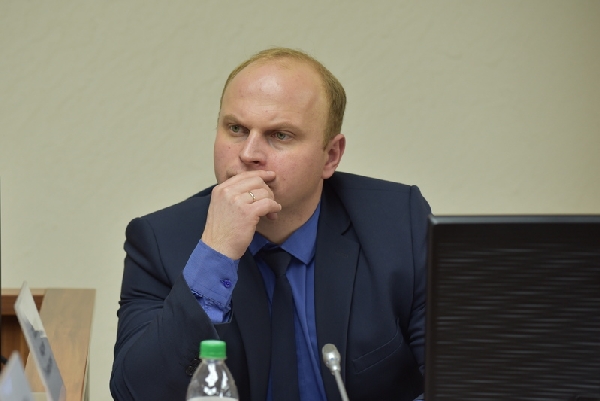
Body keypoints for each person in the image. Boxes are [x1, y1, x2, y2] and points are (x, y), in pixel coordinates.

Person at [110, 47, 430, 401]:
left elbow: (453, 378)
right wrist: (215, 254)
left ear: (330, 156)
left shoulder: (397, 223)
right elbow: (135, 393)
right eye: (236, 129)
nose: (248, 154)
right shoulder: (159, 241)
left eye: (280, 135)